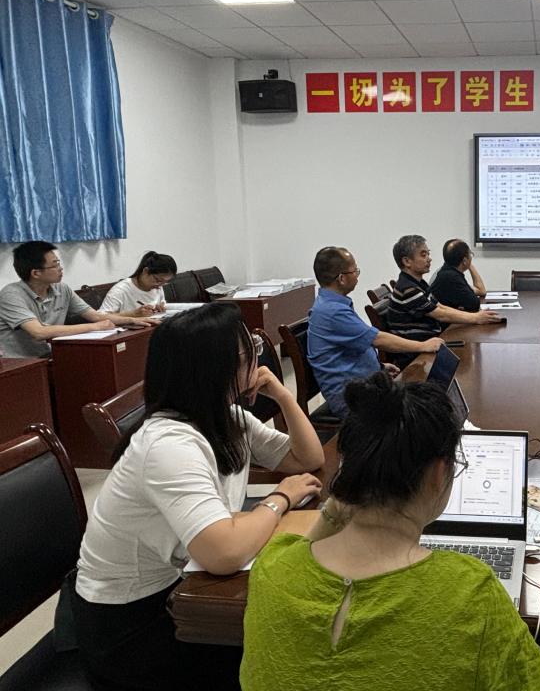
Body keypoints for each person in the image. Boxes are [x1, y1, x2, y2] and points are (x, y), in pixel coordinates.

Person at [240, 372, 540, 691]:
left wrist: (346, 495)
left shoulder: (271, 568)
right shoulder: (471, 593)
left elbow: (301, 553)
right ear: (440, 473)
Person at [69, 302, 326, 691]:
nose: (258, 361)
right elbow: (223, 554)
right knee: (287, 651)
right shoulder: (168, 444)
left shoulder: (225, 418)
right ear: (214, 370)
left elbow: (308, 458)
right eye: (251, 353)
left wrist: (283, 396)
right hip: (130, 624)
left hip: (180, 586)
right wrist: (279, 499)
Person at [308, 246, 445, 417]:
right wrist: (423, 346)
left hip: (364, 384)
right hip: (352, 397)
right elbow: (378, 339)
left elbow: (353, 347)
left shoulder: (332, 304)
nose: (357, 275)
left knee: (428, 393)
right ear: (342, 278)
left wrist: (379, 367)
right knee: (425, 407)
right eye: (355, 271)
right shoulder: (332, 311)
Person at [0, 240, 154, 358]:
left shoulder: (62, 289)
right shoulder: (11, 295)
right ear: (36, 273)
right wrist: (95, 327)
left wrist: (132, 319)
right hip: (21, 364)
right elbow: (39, 332)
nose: (61, 268)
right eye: (55, 265)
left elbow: (96, 316)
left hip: (52, 355)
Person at [387, 235, 502, 367]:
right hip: (416, 355)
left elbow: (440, 307)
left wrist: (476, 317)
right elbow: (440, 314)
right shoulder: (407, 289)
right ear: (407, 261)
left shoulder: (418, 284)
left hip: (430, 342)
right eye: (423, 255)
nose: (429, 259)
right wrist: (475, 318)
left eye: (428, 254)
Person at [100, 250, 178, 316]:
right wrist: (133, 314)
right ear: (145, 271)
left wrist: (159, 309)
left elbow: (160, 306)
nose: (159, 286)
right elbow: (100, 317)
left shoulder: (157, 287)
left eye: (165, 282)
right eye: (158, 280)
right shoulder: (120, 290)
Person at [430, 238, 486, 312]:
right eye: (470, 254)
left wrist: (468, 264)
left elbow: (481, 291)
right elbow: (475, 304)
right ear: (464, 260)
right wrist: (467, 262)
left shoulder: (449, 272)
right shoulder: (450, 277)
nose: (471, 257)